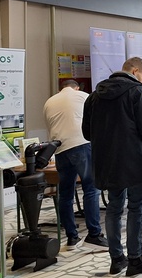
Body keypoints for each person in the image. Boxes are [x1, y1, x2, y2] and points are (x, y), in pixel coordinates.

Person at [82, 57, 142, 276]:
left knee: (114, 209)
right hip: (136, 161)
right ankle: (135, 259)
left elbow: (87, 133)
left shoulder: (94, 96)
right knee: (136, 209)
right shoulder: (138, 93)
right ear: (135, 71)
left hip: (107, 162)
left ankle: (116, 259)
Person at [44, 79, 108, 250]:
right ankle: (94, 235)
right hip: (81, 144)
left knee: (65, 194)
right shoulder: (83, 96)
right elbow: (95, 121)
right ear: (76, 88)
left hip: (59, 149)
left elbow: (50, 126)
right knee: (91, 189)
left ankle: (72, 238)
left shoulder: (49, 102)